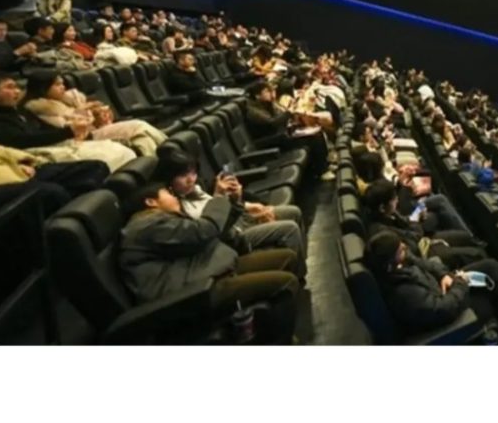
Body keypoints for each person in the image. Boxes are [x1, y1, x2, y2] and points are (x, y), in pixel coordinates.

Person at [118, 183, 299, 344]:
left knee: (287, 257)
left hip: (209, 269)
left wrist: (234, 202)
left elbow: (211, 234)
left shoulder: (160, 220)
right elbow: (202, 231)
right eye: (168, 193)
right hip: (195, 291)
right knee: (286, 281)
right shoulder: (147, 226)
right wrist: (218, 197)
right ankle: (282, 340)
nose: (174, 196)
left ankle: (277, 325)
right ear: (151, 202)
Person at [365, 230, 498, 343]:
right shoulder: (403, 292)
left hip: (444, 288)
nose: (405, 247)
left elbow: (427, 264)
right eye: (400, 249)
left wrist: (445, 275)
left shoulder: (400, 263)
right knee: (494, 290)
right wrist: (460, 283)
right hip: (448, 313)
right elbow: (443, 310)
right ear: (390, 262)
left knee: (490, 267)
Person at [156, 150, 306, 278]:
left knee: (293, 212)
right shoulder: (177, 207)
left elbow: (225, 208)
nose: (191, 179)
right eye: (183, 175)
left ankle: (300, 264)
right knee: (290, 229)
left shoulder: (195, 190)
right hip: (232, 236)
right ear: (169, 178)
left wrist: (240, 201)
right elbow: (213, 229)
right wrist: (220, 196)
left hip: (239, 219)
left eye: (193, 172)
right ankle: (298, 278)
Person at [0, 72, 136, 171]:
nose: (17, 91)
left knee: (126, 144)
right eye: (9, 87)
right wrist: (71, 130)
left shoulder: (18, 111)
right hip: (36, 156)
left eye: (17, 87)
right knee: (116, 153)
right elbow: (22, 140)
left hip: (63, 143)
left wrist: (88, 120)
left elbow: (44, 129)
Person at [23, 71, 167, 156]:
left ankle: (163, 163)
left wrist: (98, 113)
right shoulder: (41, 108)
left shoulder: (68, 99)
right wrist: (92, 115)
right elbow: (72, 130)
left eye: (62, 84)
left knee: (142, 139)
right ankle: (169, 149)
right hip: (85, 140)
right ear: (43, 88)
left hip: (94, 132)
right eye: (57, 84)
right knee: (138, 125)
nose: (63, 87)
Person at [363, 179, 485, 268]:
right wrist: (415, 222)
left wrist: (415, 219)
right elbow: (413, 243)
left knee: (465, 237)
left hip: (422, 240)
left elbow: (406, 224)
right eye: (394, 199)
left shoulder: (388, 213)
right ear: (382, 207)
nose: (397, 200)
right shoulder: (382, 232)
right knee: (477, 254)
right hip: (423, 252)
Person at [0, 141, 109, 199]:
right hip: (1, 185)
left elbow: (0, 150)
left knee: (95, 168)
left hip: (23, 170)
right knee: (52, 192)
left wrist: (25, 161)